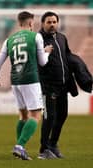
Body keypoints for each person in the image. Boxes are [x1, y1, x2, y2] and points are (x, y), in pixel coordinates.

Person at [0, 11, 53, 160]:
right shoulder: (36, 36)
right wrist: (47, 52)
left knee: (23, 115)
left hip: (15, 81)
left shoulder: (9, 40)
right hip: (31, 80)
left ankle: (20, 150)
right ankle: (19, 146)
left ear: (19, 23)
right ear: (31, 23)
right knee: (36, 115)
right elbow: (43, 62)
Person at [38, 11, 74, 159]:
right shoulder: (38, 40)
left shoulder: (61, 38)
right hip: (48, 86)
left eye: (54, 22)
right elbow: (37, 62)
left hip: (63, 86)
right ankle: (43, 149)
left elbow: (68, 57)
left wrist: (78, 74)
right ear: (42, 23)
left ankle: (53, 144)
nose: (52, 24)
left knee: (62, 115)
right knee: (49, 117)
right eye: (49, 22)